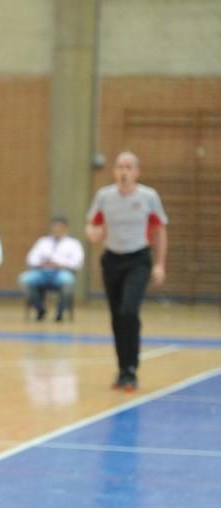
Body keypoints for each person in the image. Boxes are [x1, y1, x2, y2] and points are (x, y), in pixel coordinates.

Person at [86, 151, 168, 391]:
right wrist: (92, 232)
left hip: (138, 259)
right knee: (116, 316)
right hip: (112, 260)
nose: (124, 171)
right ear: (114, 171)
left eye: (129, 167)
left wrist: (160, 263)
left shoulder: (148, 196)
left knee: (129, 310)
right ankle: (122, 369)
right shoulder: (104, 196)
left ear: (136, 172)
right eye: (120, 167)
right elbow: (93, 223)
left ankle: (132, 368)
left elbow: (160, 230)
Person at [18, 216, 84, 321]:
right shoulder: (42, 242)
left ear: (65, 228)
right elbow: (30, 259)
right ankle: (40, 308)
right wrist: (42, 263)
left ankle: (60, 312)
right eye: (55, 228)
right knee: (24, 279)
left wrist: (60, 264)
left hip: (62, 272)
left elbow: (77, 263)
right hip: (42, 272)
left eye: (60, 228)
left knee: (68, 282)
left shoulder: (73, 244)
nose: (57, 230)